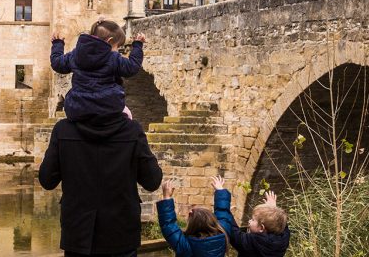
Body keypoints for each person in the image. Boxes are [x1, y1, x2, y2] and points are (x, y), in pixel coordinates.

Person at [38, 105, 162, 256]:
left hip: (78, 235)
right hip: (121, 233)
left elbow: (47, 180)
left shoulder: (63, 129)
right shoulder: (132, 130)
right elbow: (152, 181)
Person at [50, 19, 145, 121]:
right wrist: (138, 46)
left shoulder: (75, 54)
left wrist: (57, 44)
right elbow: (132, 67)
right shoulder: (113, 57)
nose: (118, 51)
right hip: (108, 107)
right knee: (127, 115)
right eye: (118, 46)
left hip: (77, 108)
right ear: (109, 41)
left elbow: (57, 63)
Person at [211, 176, 290, 257]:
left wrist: (221, 193)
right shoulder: (283, 239)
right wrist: (273, 210)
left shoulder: (251, 244)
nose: (249, 221)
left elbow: (232, 231)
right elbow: (281, 223)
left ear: (262, 228)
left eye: (253, 220)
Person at [156, 179, 228, 257]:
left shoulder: (186, 246)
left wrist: (166, 196)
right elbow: (223, 214)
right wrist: (221, 191)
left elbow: (168, 224)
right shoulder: (223, 236)